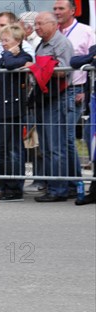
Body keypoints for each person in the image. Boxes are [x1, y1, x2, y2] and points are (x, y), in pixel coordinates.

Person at [26, 11, 74, 202]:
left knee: (56, 146)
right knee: (46, 146)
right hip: (44, 98)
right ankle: (53, 185)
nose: (36, 28)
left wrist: (37, 68)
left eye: (40, 24)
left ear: (52, 25)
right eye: (35, 24)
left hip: (57, 98)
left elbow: (63, 71)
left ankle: (59, 189)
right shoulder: (42, 44)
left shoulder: (61, 43)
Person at [53, 0, 96, 192]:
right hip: (55, 91)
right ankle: (68, 182)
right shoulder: (55, 32)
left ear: (73, 11)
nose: (57, 12)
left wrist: (84, 91)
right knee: (58, 137)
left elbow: (92, 61)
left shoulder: (86, 31)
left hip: (76, 90)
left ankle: (74, 182)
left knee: (67, 137)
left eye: (61, 8)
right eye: (54, 8)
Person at [0, 24, 33, 200]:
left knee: (13, 149)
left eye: (6, 40)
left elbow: (10, 64)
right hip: (0, 109)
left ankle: (14, 187)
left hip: (13, 110)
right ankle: (4, 185)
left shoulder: (25, 56)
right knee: (2, 149)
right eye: (2, 40)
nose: (3, 44)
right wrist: (6, 55)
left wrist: (8, 55)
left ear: (18, 41)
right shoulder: (7, 56)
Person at [70, 44, 96, 205]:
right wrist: (91, 59)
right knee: (93, 150)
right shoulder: (94, 49)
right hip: (93, 108)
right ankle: (94, 190)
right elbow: (74, 61)